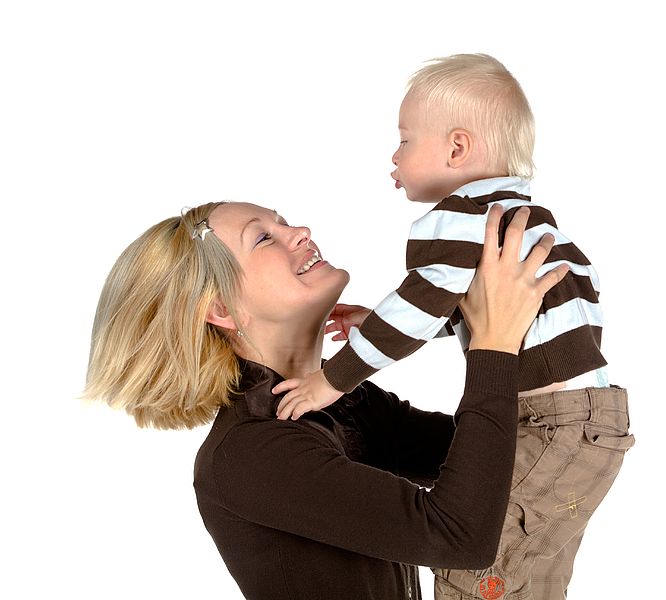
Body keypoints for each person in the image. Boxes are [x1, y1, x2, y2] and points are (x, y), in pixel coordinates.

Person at [277, 53, 635, 599]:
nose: (393, 156)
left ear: (457, 148)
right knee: (529, 581)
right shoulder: (529, 222)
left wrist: (333, 380)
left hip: (550, 422)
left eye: (403, 140)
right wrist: (378, 319)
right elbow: (468, 307)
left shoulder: (462, 215)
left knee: (473, 570)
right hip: (593, 423)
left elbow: (424, 304)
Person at [83, 199, 569, 599]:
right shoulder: (251, 452)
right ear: (221, 309)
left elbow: (508, 462)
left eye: (282, 219)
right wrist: (493, 344)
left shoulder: (341, 405)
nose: (300, 230)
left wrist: (478, 320)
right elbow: (460, 535)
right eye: (264, 237)